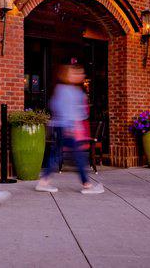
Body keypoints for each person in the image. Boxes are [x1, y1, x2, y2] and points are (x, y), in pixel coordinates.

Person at [36, 65, 104, 195]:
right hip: (66, 127)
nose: (79, 75)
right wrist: (70, 127)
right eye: (75, 73)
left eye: (80, 73)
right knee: (76, 156)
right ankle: (87, 185)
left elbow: (79, 111)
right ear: (67, 75)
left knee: (57, 154)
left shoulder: (71, 90)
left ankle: (44, 182)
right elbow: (60, 107)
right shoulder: (65, 90)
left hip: (64, 127)